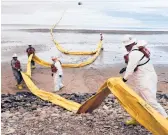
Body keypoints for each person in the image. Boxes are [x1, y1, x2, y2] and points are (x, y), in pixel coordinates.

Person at [120, 35, 168, 125]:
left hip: (146, 80)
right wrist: (126, 68)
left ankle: (166, 119)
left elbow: (130, 69)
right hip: (142, 79)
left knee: (151, 102)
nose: (126, 48)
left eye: (127, 46)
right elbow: (137, 64)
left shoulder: (134, 53)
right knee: (136, 100)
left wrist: (123, 80)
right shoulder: (138, 49)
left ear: (131, 44)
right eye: (125, 46)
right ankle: (136, 119)